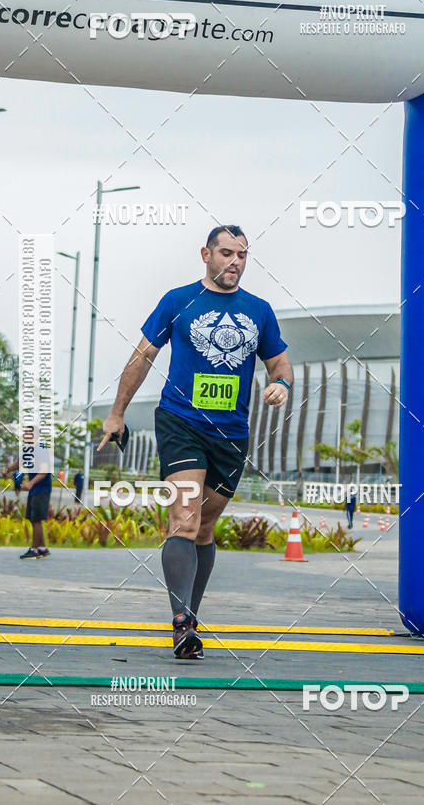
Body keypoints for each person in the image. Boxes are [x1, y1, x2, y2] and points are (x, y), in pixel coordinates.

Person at [99, 225, 293, 659]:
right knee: (184, 519)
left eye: (242, 255)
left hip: (231, 433)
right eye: (227, 253)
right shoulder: (178, 301)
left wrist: (281, 384)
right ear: (206, 254)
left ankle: (190, 616)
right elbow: (143, 356)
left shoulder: (259, 311)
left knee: (205, 528)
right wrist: (117, 412)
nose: (235, 262)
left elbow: (280, 363)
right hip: (180, 422)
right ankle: (182, 623)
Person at [2, 441, 52, 559]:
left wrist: (30, 483)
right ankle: (42, 548)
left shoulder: (41, 449)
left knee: (36, 519)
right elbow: (19, 463)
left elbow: (44, 471)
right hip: (34, 489)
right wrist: (7, 469)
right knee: (32, 518)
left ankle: (34, 550)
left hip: (42, 489)